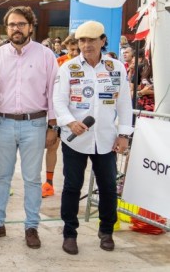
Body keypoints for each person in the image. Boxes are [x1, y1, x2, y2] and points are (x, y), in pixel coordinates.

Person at [0, 6, 58, 249]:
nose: (16, 28)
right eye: (12, 24)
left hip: (34, 123)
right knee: (1, 176)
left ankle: (31, 227)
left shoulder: (46, 55)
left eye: (21, 24)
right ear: (7, 28)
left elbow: (54, 92)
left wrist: (52, 126)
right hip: (2, 122)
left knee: (32, 179)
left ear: (31, 27)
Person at [53, 20, 133, 255]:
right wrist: (70, 121)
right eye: (81, 40)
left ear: (102, 40)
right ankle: (69, 233)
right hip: (74, 139)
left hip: (106, 140)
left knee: (108, 186)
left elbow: (125, 103)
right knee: (72, 186)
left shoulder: (116, 67)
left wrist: (124, 134)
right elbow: (58, 101)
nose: (86, 45)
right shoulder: (68, 68)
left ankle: (106, 230)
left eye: (91, 40)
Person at [41, 35, 80, 198]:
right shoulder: (60, 62)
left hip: (79, 116)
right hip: (60, 114)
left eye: (75, 49)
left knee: (75, 154)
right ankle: (48, 183)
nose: (73, 52)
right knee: (52, 147)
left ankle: (73, 186)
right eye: (70, 49)